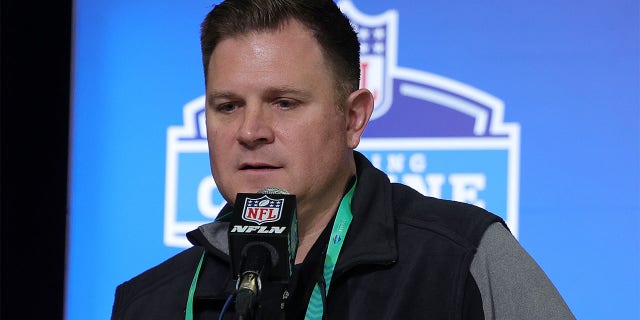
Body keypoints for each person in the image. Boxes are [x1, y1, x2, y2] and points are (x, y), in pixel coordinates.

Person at [111, 0, 575, 319]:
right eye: (228, 106)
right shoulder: (149, 303)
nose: (250, 132)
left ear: (353, 118)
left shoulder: (463, 258)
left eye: (284, 102)